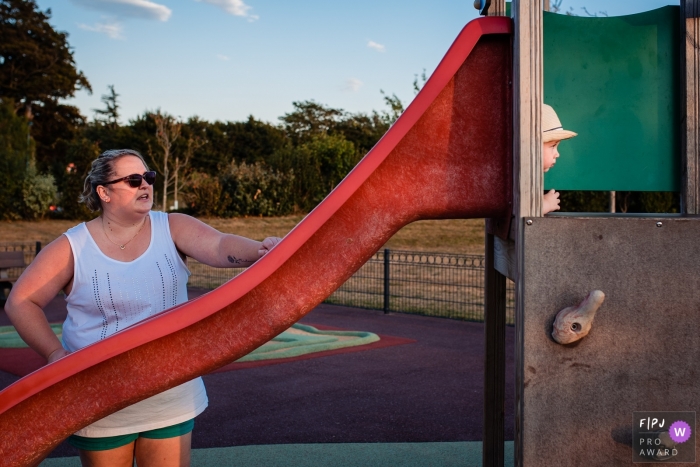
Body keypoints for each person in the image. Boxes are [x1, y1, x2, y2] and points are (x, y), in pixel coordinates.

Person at [5, 149, 281, 467]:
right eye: (133, 180)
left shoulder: (172, 227)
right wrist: (55, 354)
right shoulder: (73, 247)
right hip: (100, 397)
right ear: (104, 192)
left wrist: (258, 250)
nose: (145, 186)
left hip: (168, 391)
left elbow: (219, 245)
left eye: (148, 178)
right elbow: (21, 301)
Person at [542, 104, 577, 215]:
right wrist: (546, 204)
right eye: (552, 146)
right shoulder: (521, 178)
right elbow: (523, 209)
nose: (557, 154)